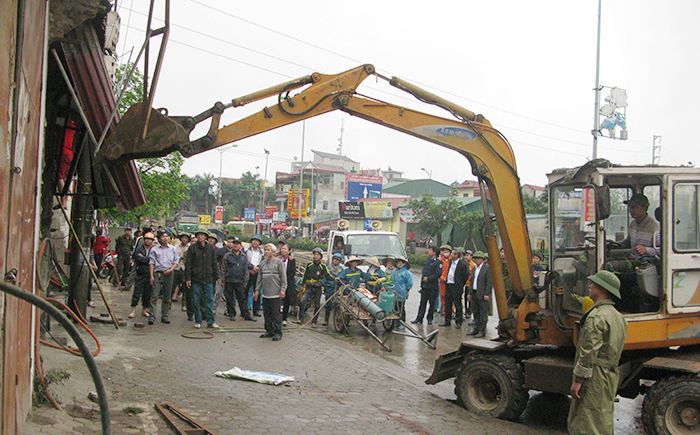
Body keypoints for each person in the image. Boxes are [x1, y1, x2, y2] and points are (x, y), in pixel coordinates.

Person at [568, 271, 628, 435]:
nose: (589, 286)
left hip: (594, 376)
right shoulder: (617, 316)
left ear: (602, 289)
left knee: (587, 422)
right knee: (602, 418)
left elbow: (588, 352)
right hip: (609, 374)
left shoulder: (597, 317)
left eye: (593, 284)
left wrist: (578, 380)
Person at [186, 230, 219, 329]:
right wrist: (188, 278)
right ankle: (198, 320)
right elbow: (188, 264)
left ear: (206, 237)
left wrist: (218, 277)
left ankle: (210, 321)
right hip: (196, 279)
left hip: (208, 279)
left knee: (209, 301)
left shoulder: (210, 248)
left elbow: (214, 263)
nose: (200, 237)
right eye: (198, 235)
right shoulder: (192, 248)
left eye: (202, 235)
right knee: (196, 301)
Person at [254, 243, 287, 341]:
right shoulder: (263, 263)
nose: (266, 252)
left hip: (275, 294)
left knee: (275, 314)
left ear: (273, 252)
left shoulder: (278, 262)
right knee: (267, 314)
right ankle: (269, 330)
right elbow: (259, 278)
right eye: (265, 250)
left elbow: (283, 277)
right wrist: (257, 291)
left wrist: (283, 289)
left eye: (268, 250)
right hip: (265, 294)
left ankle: (277, 332)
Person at [220, 236, 256, 322]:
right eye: (234, 244)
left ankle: (245, 314)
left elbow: (246, 269)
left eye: (237, 244)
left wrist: (245, 280)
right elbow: (223, 268)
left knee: (242, 298)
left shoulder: (243, 256)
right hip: (229, 280)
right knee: (229, 298)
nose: (236, 246)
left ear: (240, 246)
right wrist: (222, 280)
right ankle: (232, 314)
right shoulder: (227, 256)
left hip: (240, 280)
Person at [148, 231, 179, 325]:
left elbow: (175, 261)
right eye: (163, 236)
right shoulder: (154, 249)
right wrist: (151, 276)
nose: (165, 238)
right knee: (154, 295)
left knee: (167, 296)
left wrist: (171, 270)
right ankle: (152, 316)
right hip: (158, 273)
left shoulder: (173, 249)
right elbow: (151, 263)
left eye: (167, 236)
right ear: (159, 238)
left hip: (169, 273)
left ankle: (165, 316)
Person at [296, 247, 332, 328]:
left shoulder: (323, 267)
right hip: (309, 287)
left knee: (317, 305)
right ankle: (300, 319)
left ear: (321, 257)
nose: (316, 256)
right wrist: (302, 285)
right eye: (315, 254)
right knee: (302, 301)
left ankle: (314, 322)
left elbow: (328, 276)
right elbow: (304, 275)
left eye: (318, 255)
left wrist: (334, 279)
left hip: (317, 288)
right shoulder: (309, 265)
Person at [412, 246, 442, 325]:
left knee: (432, 304)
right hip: (425, 286)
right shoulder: (427, 260)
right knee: (422, 303)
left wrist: (429, 279)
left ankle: (429, 319)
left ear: (434, 252)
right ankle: (419, 318)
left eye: (430, 250)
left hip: (432, 287)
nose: (429, 251)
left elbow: (438, 274)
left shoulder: (438, 262)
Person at [441, 249, 469, 328]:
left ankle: (458, 322)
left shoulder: (463, 264)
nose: (451, 254)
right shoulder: (451, 262)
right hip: (449, 284)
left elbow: (466, 275)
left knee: (457, 304)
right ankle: (447, 320)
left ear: (456, 255)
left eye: (452, 253)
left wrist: (460, 284)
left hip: (456, 286)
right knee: (448, 303)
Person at [128, 232, 154, 318]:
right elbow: (139, 258)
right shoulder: (139, 249)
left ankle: (144, 309)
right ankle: (133, 309)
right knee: (137, 291)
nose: (148, 241)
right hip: (140, 273)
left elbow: (153, 260)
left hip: (149, 273)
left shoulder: (153, 250)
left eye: (150, 240)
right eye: (147, 239)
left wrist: (145, 258)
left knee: (147, 293)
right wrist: (147, 259)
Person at [467, 251, 492, 338]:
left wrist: (487, 294)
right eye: (476, 258)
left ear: (482, 259)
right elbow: (472, 281)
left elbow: (489, 282)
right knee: (476, 312)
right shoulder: (474, 268)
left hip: (482, 294)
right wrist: (470, 293)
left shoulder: (487, 269)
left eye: (479, 258)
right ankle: (476, 329)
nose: (477, 260)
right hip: (474, 292)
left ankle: (482, 330)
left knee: (483, 313)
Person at [278, 241, 297, 327]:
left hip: (288, 283)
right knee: (277, 301)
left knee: (286, 301)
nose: (283, 250)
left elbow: (292, 273)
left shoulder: (291, 260)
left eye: (285, 249)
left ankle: (284, 318)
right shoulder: (278, 259)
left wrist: (285, 282)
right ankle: (277, 317)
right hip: (278, 282)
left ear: (289, 251)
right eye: (282, 248)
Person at [322, 253, 344, 326]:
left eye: (338, 260)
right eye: (335, 259)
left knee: (338, 304)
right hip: (329, 288)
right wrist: (325, 286)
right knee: (328, 304)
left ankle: (339, 320)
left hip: (337, 289)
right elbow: (324, 278)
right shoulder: (328, 268)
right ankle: (326, 320)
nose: (336, 261)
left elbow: (342, 277)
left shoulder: (341, 269)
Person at [246, 235, 264, 317]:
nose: (255, 242)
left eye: (257, 241)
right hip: (249, 273)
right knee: (245, 291)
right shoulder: (247, 251)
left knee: (257, 291)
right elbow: (245, 261)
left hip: (258, 273)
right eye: (254, 240)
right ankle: (245, 309)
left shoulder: (262, 252)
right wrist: (252, 268)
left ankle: (255, 310)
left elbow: (263, 261)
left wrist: (257, 268)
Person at [392, 257, 413, 327]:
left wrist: (407, 291)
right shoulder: (396, 271)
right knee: (395, 308)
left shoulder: (407, 273)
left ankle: (402, 322)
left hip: (402, 292)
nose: (399, 264)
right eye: (398, 262)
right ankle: (396, 322)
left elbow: (409, 283)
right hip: (395, 292)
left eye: (400, 262)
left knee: (401, 308)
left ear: (404, 263)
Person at [171, 234, 190, 306]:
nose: (184, 239)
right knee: (172, 285)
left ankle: (184, 304)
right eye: (183, 238)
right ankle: (169, 303)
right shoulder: (175, 247)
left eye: (186, 238)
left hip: (185, 269)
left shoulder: (190, 248)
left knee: (185, 288)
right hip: (176, 268)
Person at [437, 245, 452, 313]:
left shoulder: (452, 260)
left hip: (450, 282)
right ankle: (444, 310)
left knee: (450, 297)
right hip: (442, 281)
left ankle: (452, 311)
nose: (445, 252)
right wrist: (442, 278)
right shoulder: (440, 261)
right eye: (444, 251)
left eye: (447, 251)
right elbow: (438, 271)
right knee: (442, 296)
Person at [462, 250, 476, 321]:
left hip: (470, 285)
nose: (466, 257)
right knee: (464, 299)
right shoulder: (463, 264)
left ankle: (469, 311)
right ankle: (464, 312)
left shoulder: (473, 265)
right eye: (466, 255)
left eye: (468, 255)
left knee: (470, 299)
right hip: (464, 284)